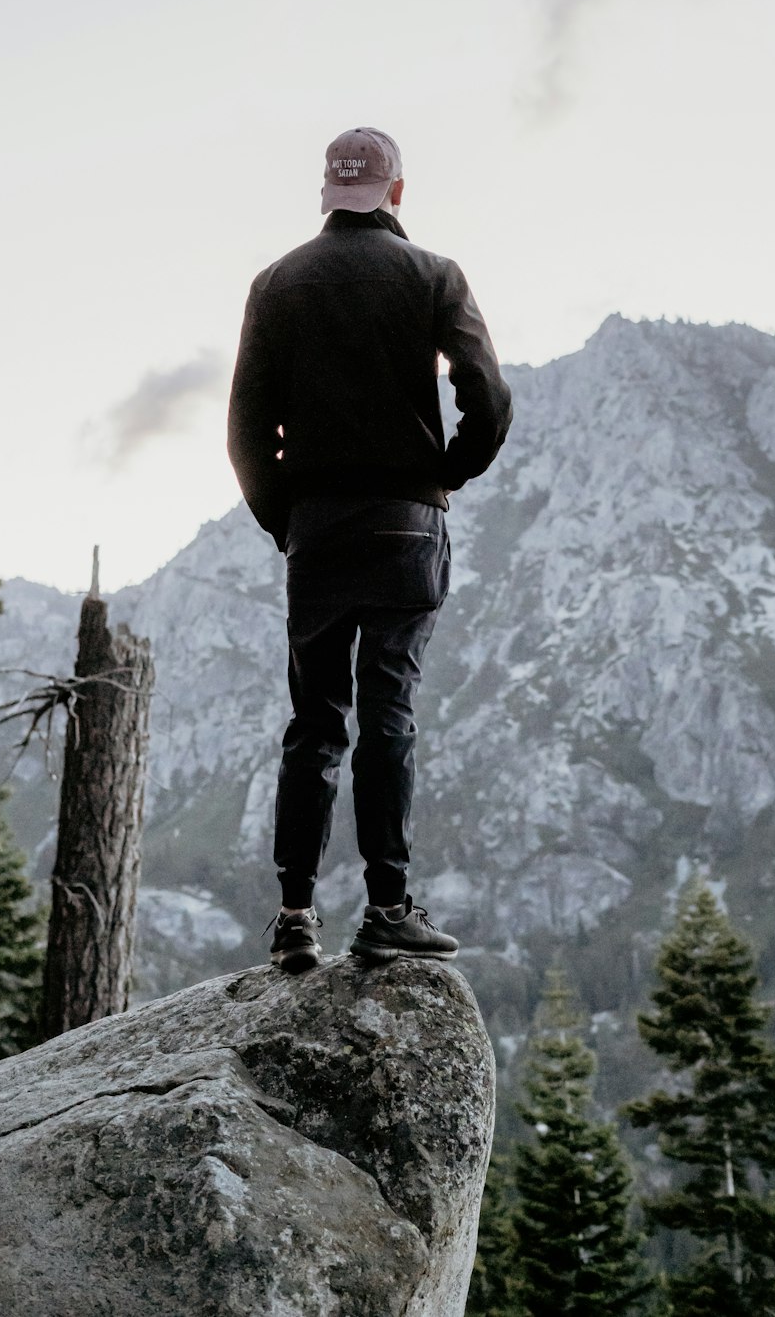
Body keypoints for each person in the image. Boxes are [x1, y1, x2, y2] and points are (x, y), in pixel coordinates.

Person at [227, 126, 512, 973]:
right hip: (404, 525)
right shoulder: (433, 275)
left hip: (317, 526)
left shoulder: (276, 283)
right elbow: (488, 398)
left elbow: (245, 429)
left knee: (314, 721)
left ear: (327, 193)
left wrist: (286, 519)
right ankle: (388, 906)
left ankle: (294, 917)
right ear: (395, 192)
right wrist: (445, 474)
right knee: (388, 708)